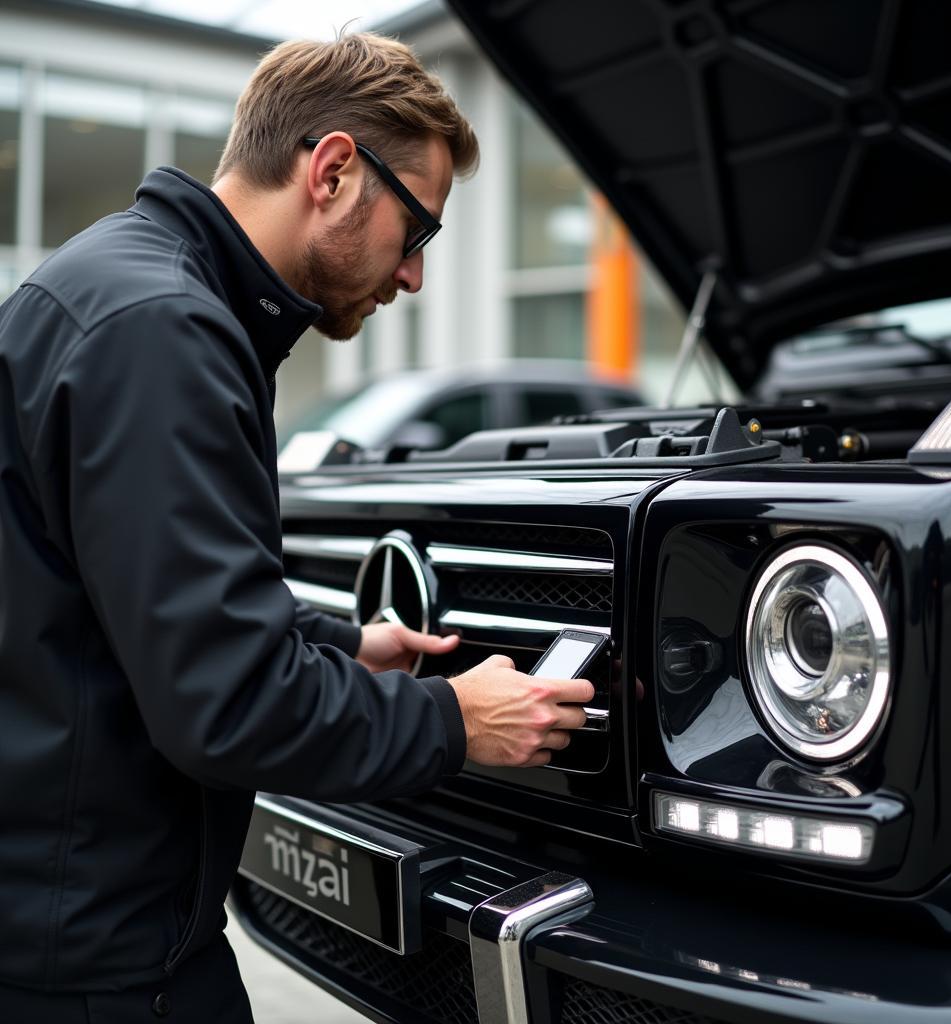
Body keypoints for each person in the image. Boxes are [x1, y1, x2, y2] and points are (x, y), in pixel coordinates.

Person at [0, 33, 595, 1022]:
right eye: (417, 233)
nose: (411, 277)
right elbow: (225, 704)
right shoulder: (166, 332)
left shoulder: (120, 287)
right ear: (331, 171)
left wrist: (346, 646)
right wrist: (454, 719)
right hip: (100, 963)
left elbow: (135, 596)